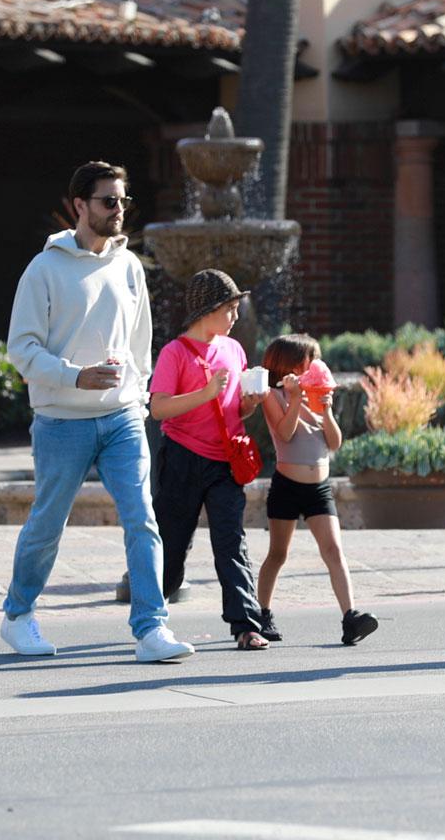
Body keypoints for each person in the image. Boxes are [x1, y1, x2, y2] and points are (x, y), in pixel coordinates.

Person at [0, 161, 194, 663]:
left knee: (142, 518)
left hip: (121, 417)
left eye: (123, 201)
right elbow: (20, 349)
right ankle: (18, 615)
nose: (118, 210)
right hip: (62, 420)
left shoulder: (129, 266)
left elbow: (140, 343)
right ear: (80, 206)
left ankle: (152, 628)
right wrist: (74, 375)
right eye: (109, 201)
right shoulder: (44, 270)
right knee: (48, 522)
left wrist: (137, 391)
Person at [149, 269, 272, 651]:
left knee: (231, 543)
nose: (236, 317)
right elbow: (158, 409)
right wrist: (205, 393)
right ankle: (151, 618)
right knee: (172, 542)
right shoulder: (175, 353)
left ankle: (247, 625)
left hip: (225, 461)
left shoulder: (233, 350)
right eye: (230, 309)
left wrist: (249, 404)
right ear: (208, 310)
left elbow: (234, 409)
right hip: (182, 458)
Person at [255, 334, 379, 646]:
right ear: (291, 365)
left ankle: (350, 616)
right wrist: (295, 399)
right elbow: (284, 434)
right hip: (287, 485)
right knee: (278, 554)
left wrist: (326, 411)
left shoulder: (317, 394)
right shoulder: (273, 395)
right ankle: (262, 612)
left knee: (334, 550)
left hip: (319, 488)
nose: (314, 366)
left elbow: (334, 443)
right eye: (308, 361)